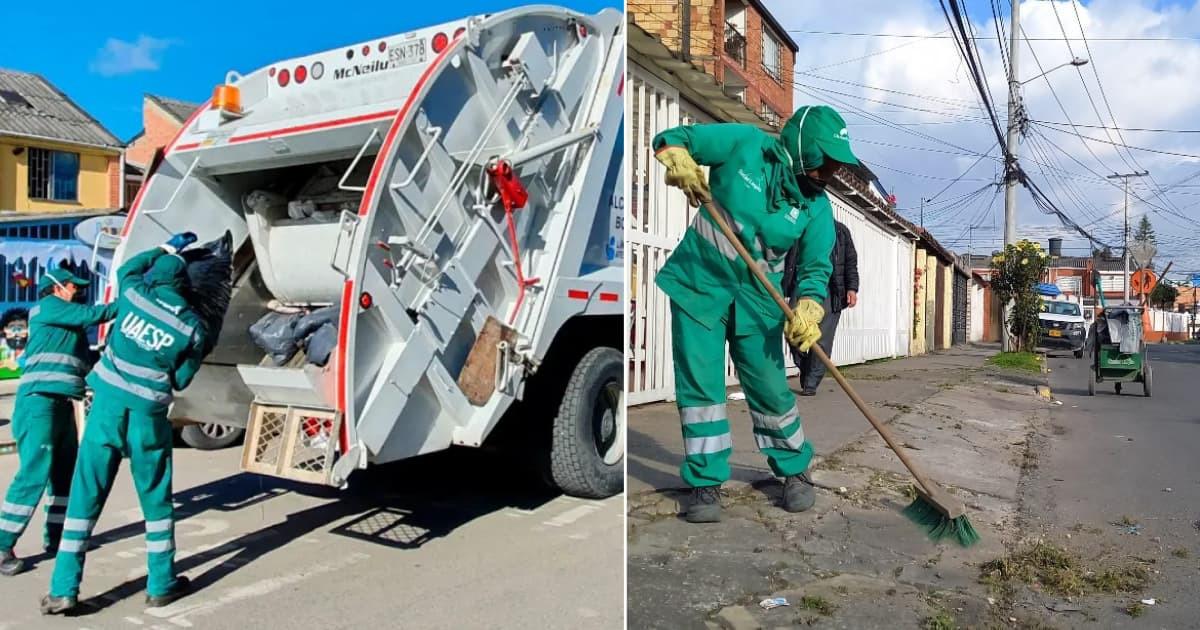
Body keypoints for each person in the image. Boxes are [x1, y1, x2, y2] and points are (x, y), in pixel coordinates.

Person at [652, 105, 862, 523]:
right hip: (700, 284)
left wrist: (809, 304)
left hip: (759, 302)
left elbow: (817, 266)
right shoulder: (745, 145)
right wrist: (679, 158)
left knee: (770, 390)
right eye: (826, 163)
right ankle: (706, 482)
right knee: (701, 391)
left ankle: (794, 470)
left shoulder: (816, 207)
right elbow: (677, 139)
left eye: (836, 167)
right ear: (803, 149)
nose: (829, 174)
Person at [43, 233, 208, 614]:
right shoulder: (192, 327)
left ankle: (64, 590)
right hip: (148, 418)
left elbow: (127, 268)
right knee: (156, 499)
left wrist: (164, 248)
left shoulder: (134, 295)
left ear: (156, 277)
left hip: (107, 410)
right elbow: (181, 380)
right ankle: (161, 582)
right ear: (183, 285)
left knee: (86, 495)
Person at [0, 269, 117, 576]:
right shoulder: (48, 307)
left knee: (64, 474)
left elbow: (84, 364)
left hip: (62, 404)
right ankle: (2, 545)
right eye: (70, 286)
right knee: (33, 474)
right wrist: (130, 301)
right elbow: (97, 313)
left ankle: (57, 539)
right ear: (54, 288)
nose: (75, 291)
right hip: (39, 402)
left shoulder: (69, 328)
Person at [784, 220, 859, 396]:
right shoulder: (799, 227)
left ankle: (811, 382)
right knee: (793, 330)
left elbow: (850, 262)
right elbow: (787, 257)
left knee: (822, 340)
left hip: (831, 290)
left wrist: (852, 288)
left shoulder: (840, 231)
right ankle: (805, 365)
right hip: (802, 285)